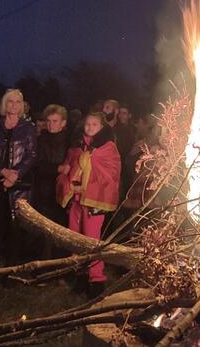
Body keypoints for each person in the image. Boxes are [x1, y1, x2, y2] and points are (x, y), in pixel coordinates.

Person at [56, 112, 121, 297]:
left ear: (102, 127)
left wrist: (87, 183)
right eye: (87, 124)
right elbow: (69, 169)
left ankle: (96, 281)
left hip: (94, 202)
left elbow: (110, 175)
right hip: (76, 201)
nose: (90, 127)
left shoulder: (108, 149)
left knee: (92, 241)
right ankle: (80, 276)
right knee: (75, 239)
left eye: (94, 124)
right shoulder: (78, 147)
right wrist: (71, 184)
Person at [0, 89, 37, 266]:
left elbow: (31, 155)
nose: (14, 105)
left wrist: (16, 173)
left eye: (18, 102)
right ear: (4, 104)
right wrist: (3, 171)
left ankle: (11, 268)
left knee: (15, 226)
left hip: (20, 183)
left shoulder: (28, 127)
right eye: (10, 101)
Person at [32, 105, 71, 257]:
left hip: (62, 191)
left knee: (60, 227)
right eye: (48, 121)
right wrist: (58, 168)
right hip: (43, 190)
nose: (50, 124)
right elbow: (38, 165)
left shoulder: (69, 142)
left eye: (55, 121)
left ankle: (57, 263)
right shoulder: (41, 139)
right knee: (44, 228)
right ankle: (43, 262)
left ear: (63, 123)